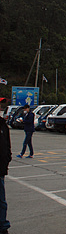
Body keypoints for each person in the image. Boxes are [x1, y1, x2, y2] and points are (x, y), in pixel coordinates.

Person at [0, 97, 12, 234]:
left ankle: (3, 226)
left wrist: (8, 159)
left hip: (1, 170)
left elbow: (7, 146)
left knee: (2, 203)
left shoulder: (3, 125)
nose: (2, 109)